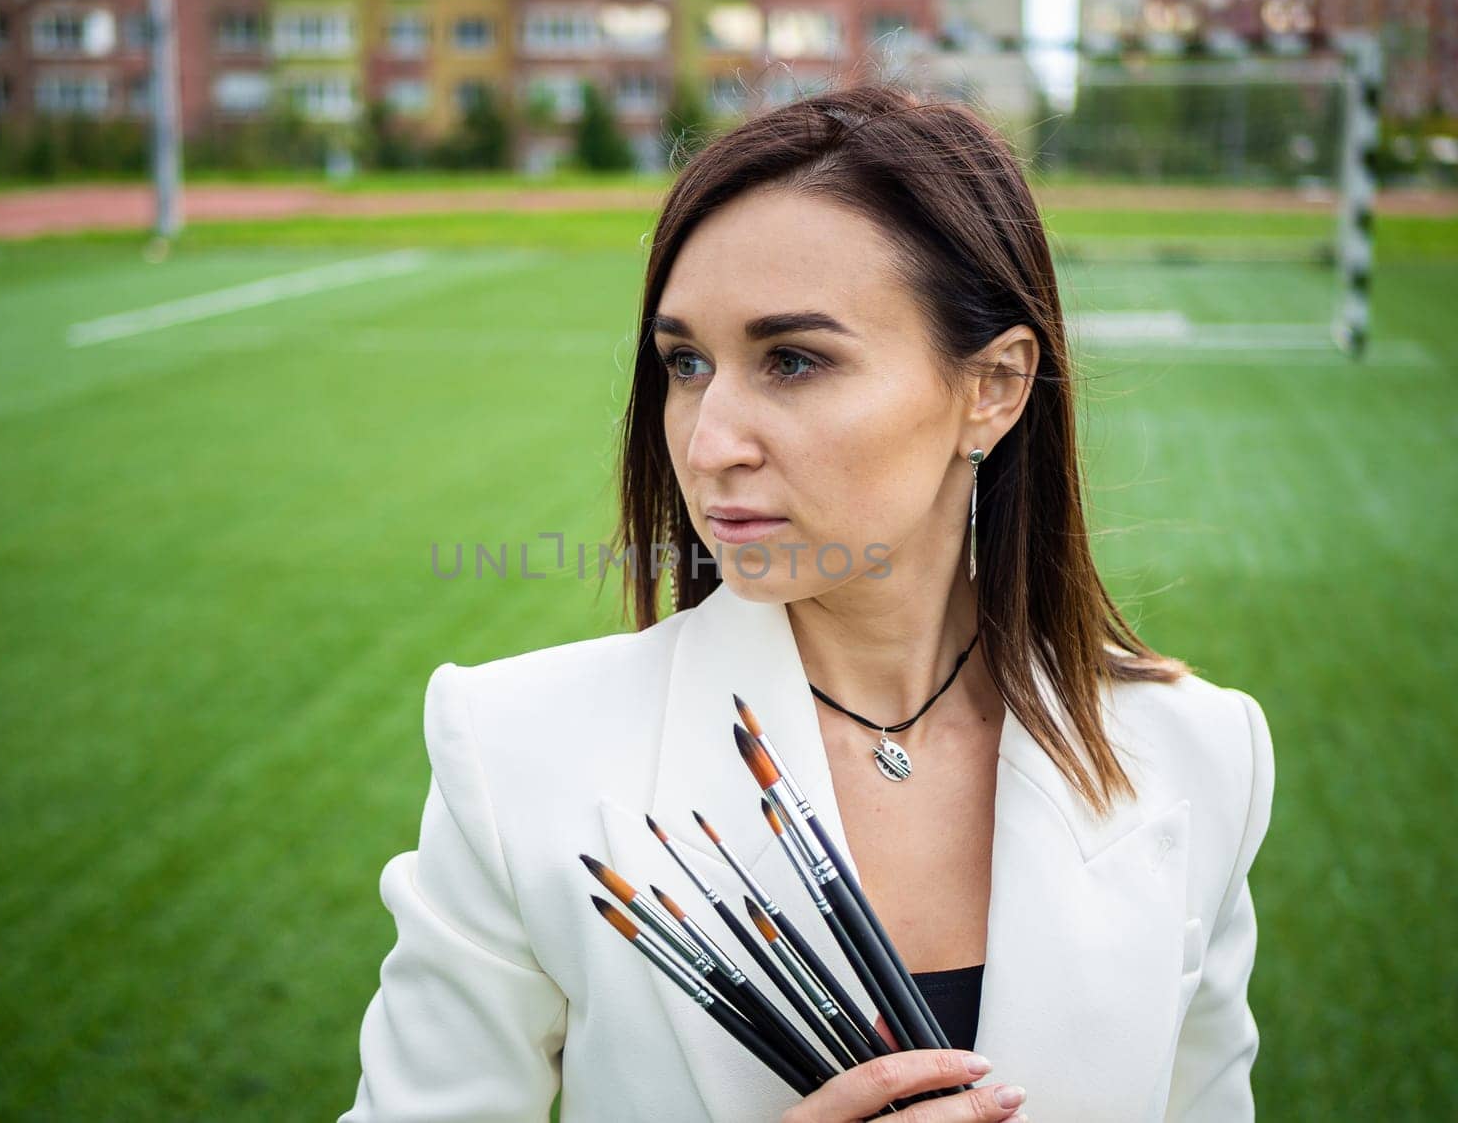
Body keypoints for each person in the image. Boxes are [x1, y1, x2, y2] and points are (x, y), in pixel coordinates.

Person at [338, 84, 1276, 1123]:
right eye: (685, 362)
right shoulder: (515, 749)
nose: (706, 440)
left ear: (994, 388)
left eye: (792, 359)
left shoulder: (1198, 752)